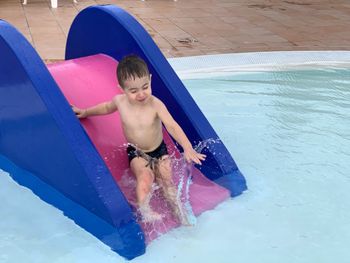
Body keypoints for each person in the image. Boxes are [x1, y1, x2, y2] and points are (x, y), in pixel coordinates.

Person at [72, 54, 206, 224]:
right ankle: (145, 210)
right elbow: (105, 107)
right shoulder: (120, 102)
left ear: (150, 80)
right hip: (136, 152)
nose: (141, 94)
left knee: (167, 180)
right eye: (133, 91)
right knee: (145, 177)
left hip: (160, 150)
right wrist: (85, 112)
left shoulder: (156, 104)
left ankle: (180, 214)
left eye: (145, 87)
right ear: (121, 88)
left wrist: (187, 147)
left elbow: (172, 126)